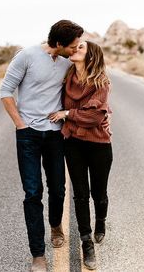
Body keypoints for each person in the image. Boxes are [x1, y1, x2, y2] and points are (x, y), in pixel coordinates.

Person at [0, 20, 84, 272]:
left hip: (56, 134)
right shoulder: (26, 56)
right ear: (58, 44)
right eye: (72, 46)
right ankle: (38, 255)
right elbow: (5, 92)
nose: (75, 50)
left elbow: (88, 80)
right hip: (29, 135)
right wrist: (20, 124)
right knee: (33, 192)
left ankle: (56, 225)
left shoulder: (69, 62)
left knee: (58, 189)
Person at [48, 41, 113, 270]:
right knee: (80, 195)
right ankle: (86, 241)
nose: (75, 49)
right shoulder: (67, 80)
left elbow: (94, 118)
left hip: (99, 144)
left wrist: (67, 113)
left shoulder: (101, 82)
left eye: (81, 47)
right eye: (75, 47)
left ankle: (101, 222)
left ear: (91, 55)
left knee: (99, 193)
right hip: (73, 143)